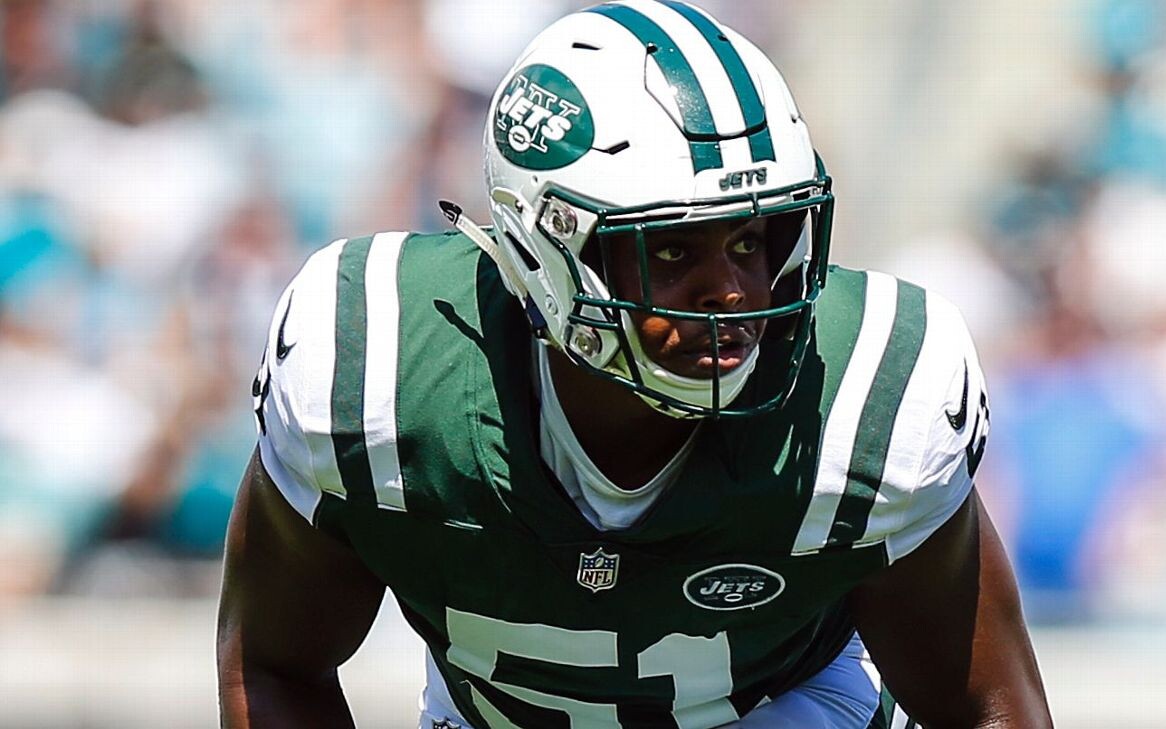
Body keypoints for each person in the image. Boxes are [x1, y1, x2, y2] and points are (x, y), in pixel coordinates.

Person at [217, 2, 1052, 727]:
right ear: (545, 249)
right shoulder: (379, 370)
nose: (730, 292)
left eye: (752, 239)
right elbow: (275, 664)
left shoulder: (866, 397)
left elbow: (983, 705)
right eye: (675, 248)